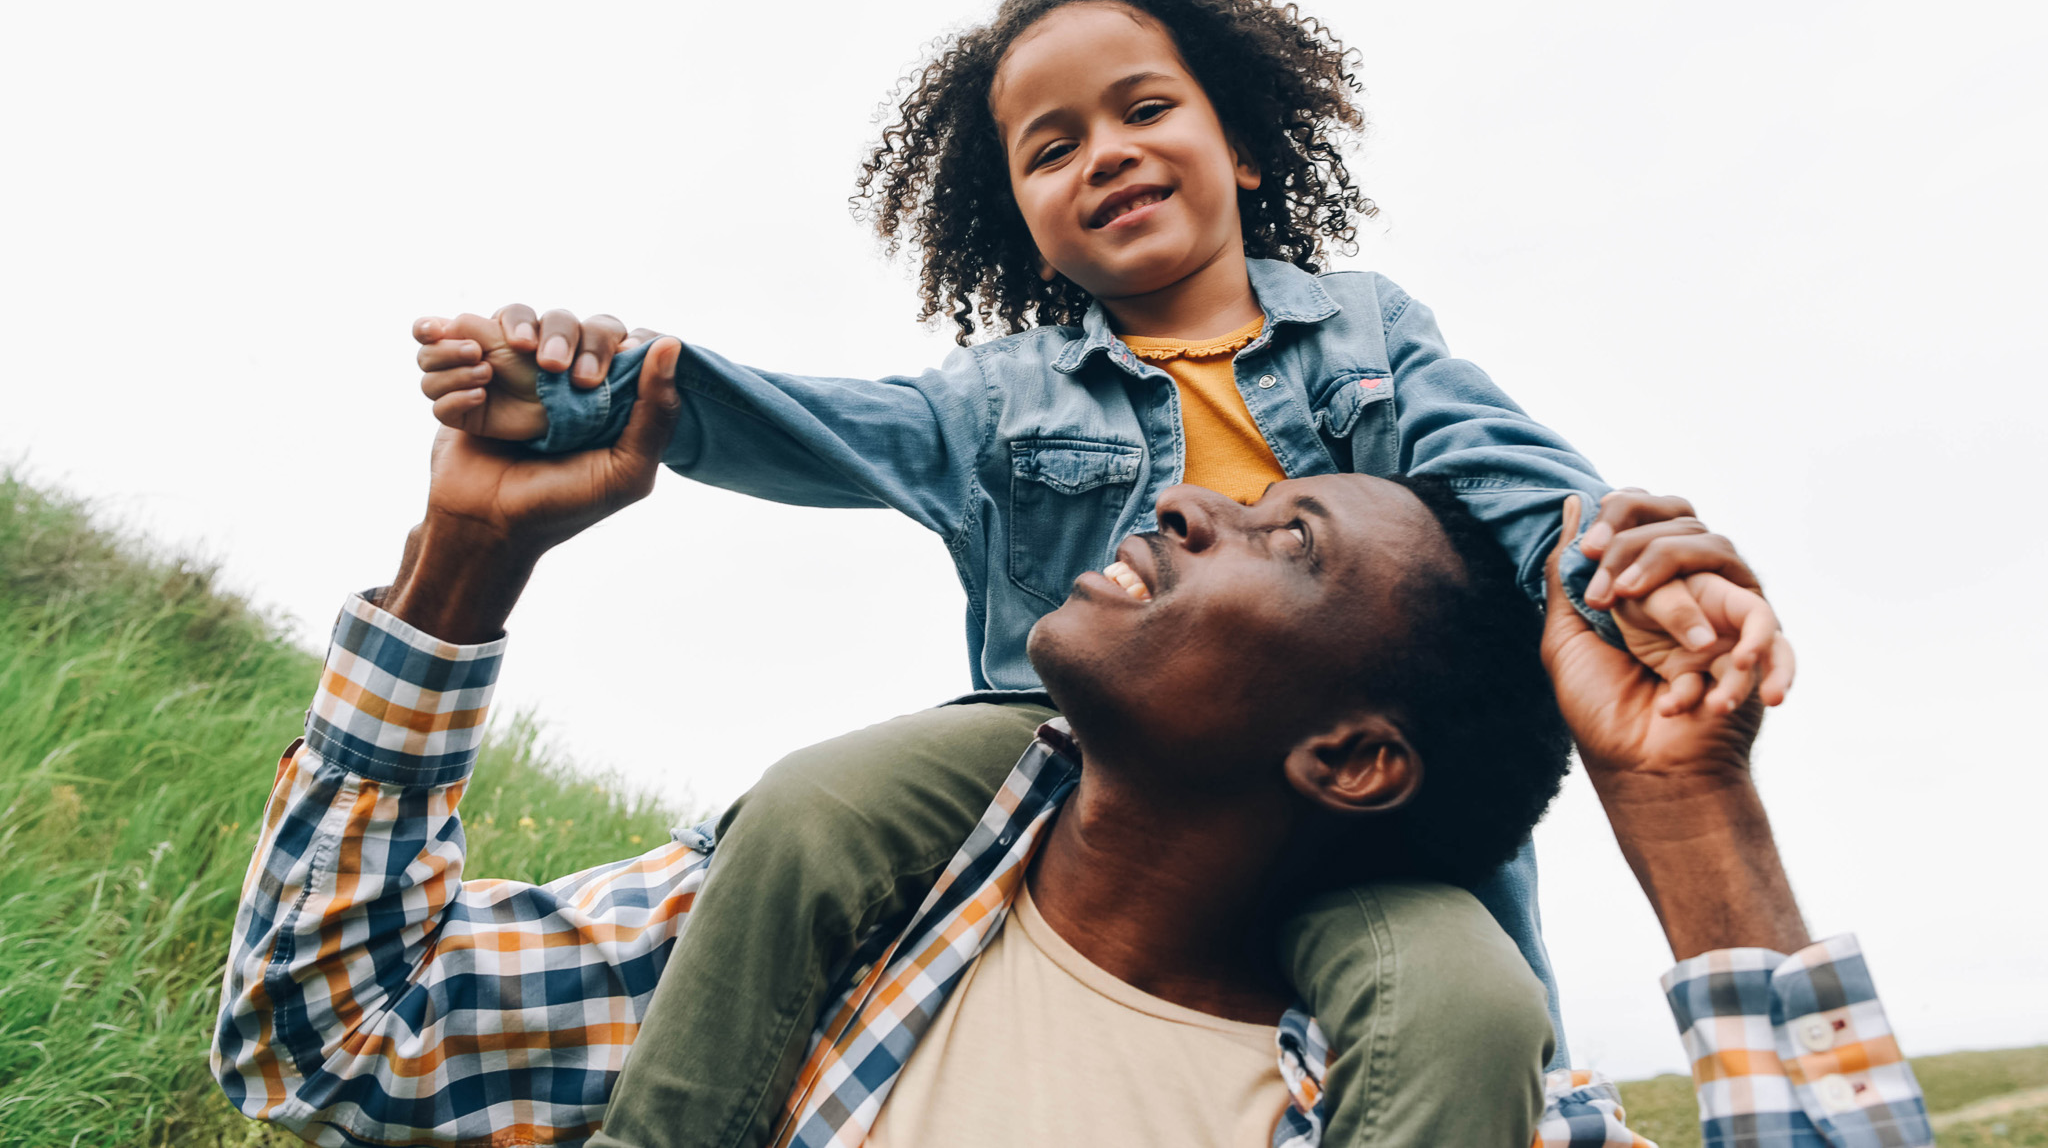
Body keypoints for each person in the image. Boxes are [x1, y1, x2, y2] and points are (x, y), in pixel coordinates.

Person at [407, 0, 1788, 1148]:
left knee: (1474, 998)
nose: (1105, 152)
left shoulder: (1367, 338)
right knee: (819, 802)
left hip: (1364, 826)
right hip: (1051, 764)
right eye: (1052, 147)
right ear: (1023, 223)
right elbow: (798, 421)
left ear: (1240, 146)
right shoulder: (1000, 398)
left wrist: (1632, 577)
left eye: (1143, 108)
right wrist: (593, 386)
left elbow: (1520, 483)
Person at [211, 347, 1921, 1147]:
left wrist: (1689, 807)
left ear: (1350, 757)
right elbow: (327, 1040)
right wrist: (465, 563)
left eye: (1289, 538)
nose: (1184, 496)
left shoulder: (1450, 1097)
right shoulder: (822, 922)